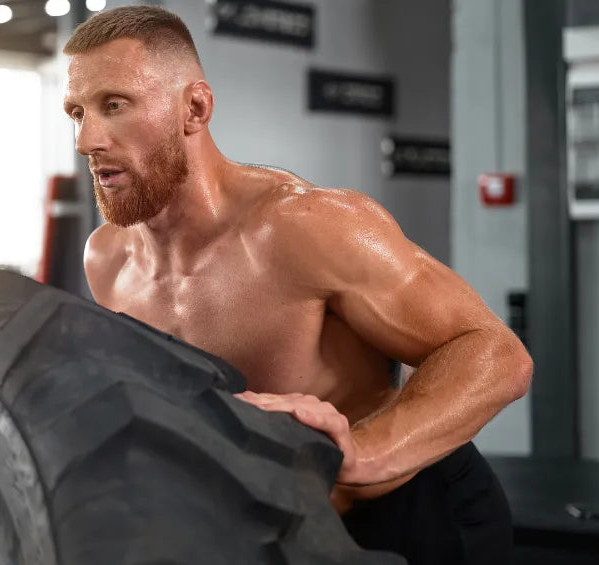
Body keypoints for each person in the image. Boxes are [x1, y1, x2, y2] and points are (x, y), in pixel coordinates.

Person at [63, 5, 531, 565]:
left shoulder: (306, 226)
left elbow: (496, 353)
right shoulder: (106, 260)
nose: (87, 138)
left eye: (114, 105)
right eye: (76, 112)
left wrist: (360, 457)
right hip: (275, 526)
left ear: (195, 107)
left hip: (414, 514)